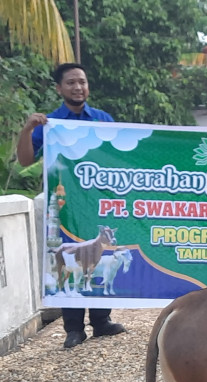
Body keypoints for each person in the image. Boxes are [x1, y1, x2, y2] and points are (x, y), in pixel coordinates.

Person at [16, 62, 126, 348]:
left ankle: (101, 321)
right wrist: (28, 128)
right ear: (59, 88)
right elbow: (26, 160)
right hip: (65, 210)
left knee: (97, 258)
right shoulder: (49, 124)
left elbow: (120, 157)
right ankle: (74, 329)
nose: (78, 87)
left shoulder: (103, 120)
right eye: (71, 82)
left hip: (97, 204)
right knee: (69, 261)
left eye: (82, 82)